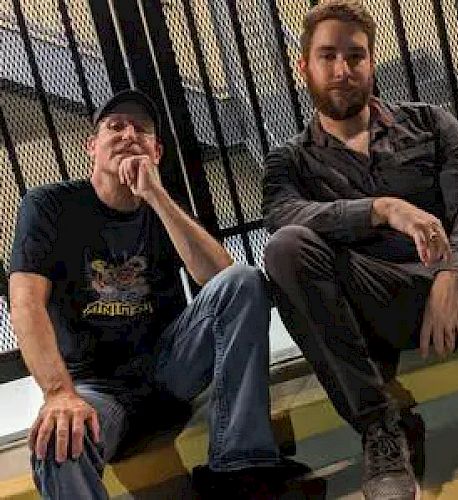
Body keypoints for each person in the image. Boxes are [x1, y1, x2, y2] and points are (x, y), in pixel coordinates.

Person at [9, 89, 305, 499]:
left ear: (157, 150)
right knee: (57, 444)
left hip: (170, 368)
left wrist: (157, 197)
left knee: (245, 280)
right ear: (91, 146)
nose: (128, 134)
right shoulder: (50, 206)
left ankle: (240, 471)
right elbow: (25, 303)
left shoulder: (165, 204)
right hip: (97, 388)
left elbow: (227, 281)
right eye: (115, 127)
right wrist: (59, 395)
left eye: (140, 129)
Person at [262, 1, 458, 499]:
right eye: (328, 56)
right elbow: (286, 218)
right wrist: (382, 208)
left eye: (356, 55)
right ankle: (381, 431)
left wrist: (450, 275)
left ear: (372, 61)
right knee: (287, 249)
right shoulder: (289, 161)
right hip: (374, 304)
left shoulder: (430, 123)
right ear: (302, 65)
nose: (342, 69)